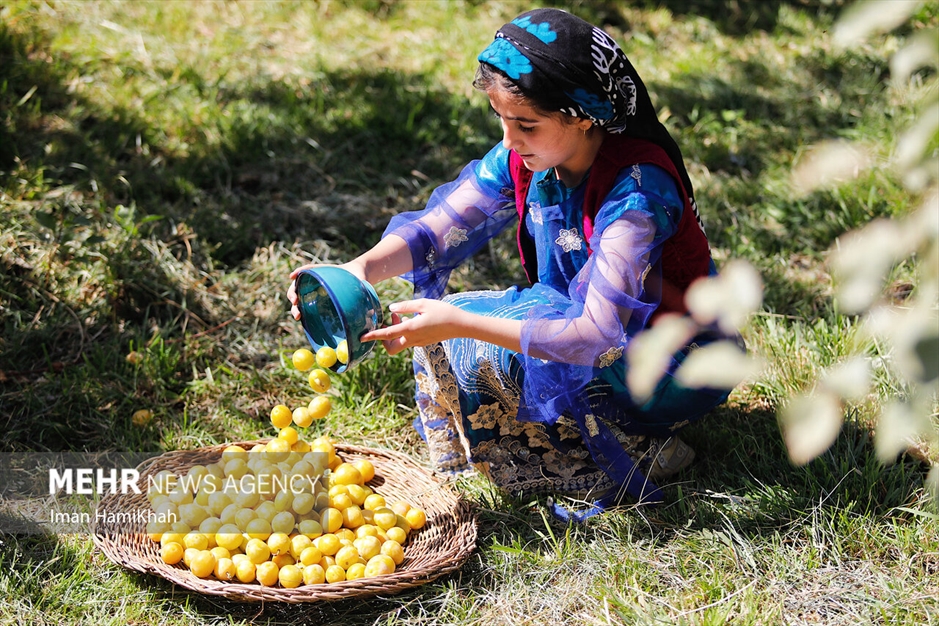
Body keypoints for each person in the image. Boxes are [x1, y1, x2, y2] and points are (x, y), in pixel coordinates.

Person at [288, 8, 735, 514]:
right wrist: (356, 272)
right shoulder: (532, 157)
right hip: (589, 324)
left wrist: (461, 323)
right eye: (501, 119)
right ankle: (586, 434)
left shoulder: (635, 196)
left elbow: (597, 333)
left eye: (525, 124)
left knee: (472, 339)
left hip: (671, 358)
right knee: (458, 338)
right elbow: (433, 232)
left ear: (583, 114)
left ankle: (639, 448)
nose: (508, 140)